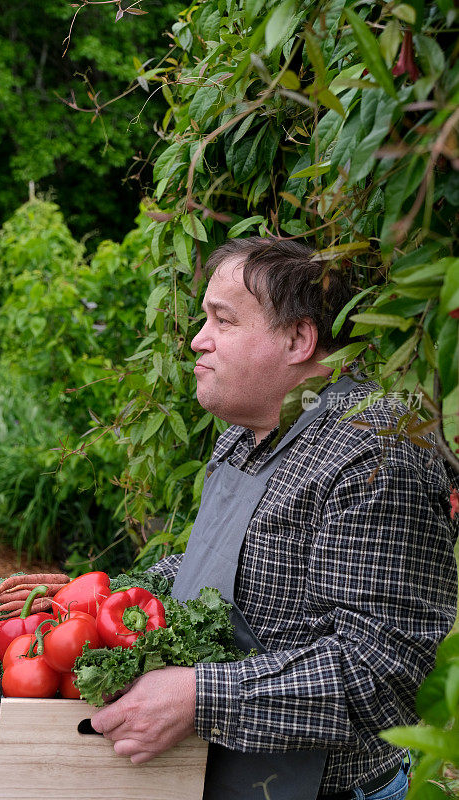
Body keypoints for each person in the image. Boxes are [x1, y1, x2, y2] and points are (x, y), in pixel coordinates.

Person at [91, 238, 458, 800]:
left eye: (224, 320)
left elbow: (384, 666)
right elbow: (211, 568)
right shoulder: (248, 434)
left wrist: (200, 697)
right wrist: (98, 600)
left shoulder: (375, 454)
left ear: (298, 339)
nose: (197, 340)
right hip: (225, 778)